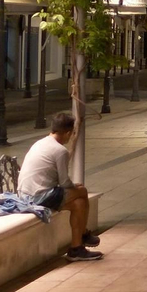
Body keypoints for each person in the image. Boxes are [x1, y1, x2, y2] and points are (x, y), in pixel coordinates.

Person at [16, 111, 101, 261]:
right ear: (68, 133)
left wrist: (72, 187)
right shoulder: (60, 150)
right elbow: (64, 182)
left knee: (79, 204)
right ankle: (84, 234)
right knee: (82, 190)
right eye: (72, 133)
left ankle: (76, 248)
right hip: (38, 196)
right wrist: (75, 186)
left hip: (25, 194)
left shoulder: (40, 143)